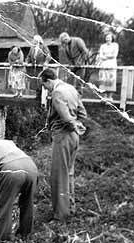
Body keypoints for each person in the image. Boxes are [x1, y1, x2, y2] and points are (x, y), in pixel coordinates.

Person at [39, 68, 87, 222]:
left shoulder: (57, 93)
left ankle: (61, 215)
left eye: (44, 85)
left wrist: (72, 125)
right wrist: (78, 126)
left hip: (63, 136)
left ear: (49, 80)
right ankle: (70, 208)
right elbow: (82, 113)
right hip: (74, 138)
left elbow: (66, 118)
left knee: (59, 175)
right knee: (69, 173)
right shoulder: (71, 88)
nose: (45, 88)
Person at [0, 134, 38, 241]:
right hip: (32, 168)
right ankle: (25, 236)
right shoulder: (8, 142)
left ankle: (3, 242)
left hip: (12, 170)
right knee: (27, 203)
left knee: (4, 208)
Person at [25, 35, 51, 100]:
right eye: (33, 40)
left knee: (41, 81)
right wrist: (27, 62)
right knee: (35, 81)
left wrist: (46, 62)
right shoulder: (32, 48)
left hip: (41, 67)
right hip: (35, 67)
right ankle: (37, 95)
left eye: (34, 40)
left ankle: (43, 96)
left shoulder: (43, 47)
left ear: (38, 41)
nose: (33, 41)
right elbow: (29, 56)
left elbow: (48, 55)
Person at [98, 32, 119, 100]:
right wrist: (107, 56)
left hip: (112, 64)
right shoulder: (102, 46)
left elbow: (114, 55)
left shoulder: (115, 45)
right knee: (104, 79)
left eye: (109, 38)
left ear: (112, 38)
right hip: (103, 65)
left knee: (111, 79)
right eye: (106, 38)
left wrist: (105, 57)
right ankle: (104, 96)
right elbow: (101, 56)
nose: (108, 39)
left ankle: (110, 97)